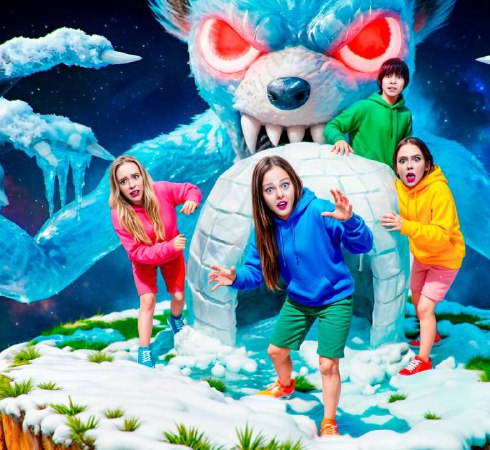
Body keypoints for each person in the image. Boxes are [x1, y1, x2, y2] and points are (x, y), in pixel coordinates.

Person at [208, 155, 373, 437]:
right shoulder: (265, 229)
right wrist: (234, 278)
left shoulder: (320, 210)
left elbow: (363, 246)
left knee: (327, 364)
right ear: (261, 196)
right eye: (269, 189)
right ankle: (285, 385)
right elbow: (254, 272)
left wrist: (351, 222)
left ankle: (328, 421)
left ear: (295, 184)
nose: (279, 194)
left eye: (284, 185)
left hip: (335, 298)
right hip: (299, 300)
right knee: (275, 351)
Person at [380, 137, 465, 376]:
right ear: (396, 168)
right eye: (403, 161)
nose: (409, 165)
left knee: (426, 309)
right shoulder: (401, 187)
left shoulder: (439, 191)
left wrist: (405, 225)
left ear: (427, 165)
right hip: (422, 256)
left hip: (445, 259)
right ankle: (431, 334)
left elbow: (441, 234)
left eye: (416, 159)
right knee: (418, 302)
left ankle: (423, 360)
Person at [108, 155, 202, 368]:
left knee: (179, 296)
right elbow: (137, 253)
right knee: (148, 301)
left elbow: (190, 189)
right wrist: (169, 247)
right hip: (145, 261)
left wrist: (192, 199)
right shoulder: (119, 214)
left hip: (172, 255)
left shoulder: (162, 190)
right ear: (118, 187)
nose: (132, 185)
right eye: (124, 181)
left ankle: (175, 319)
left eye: (135, 177)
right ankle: (144, 350)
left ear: (143, 176)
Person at [323, 57, 413, 169]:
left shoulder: (406, 114)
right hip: (363, 174)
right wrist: (339, 139)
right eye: (388, 76)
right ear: (380, 80)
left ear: (405, 83)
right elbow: (331, 126)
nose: (393, 81)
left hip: (390, 176)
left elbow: (405, 149)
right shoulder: (364, 107)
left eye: (398, 77)